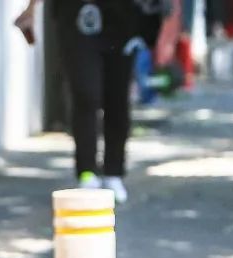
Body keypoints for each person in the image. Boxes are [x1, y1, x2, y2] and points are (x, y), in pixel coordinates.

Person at [16, 0, 162, 203]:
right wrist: (32, 8)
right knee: (85, 93)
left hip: (123, 17)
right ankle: (87, 171)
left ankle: (113, 172)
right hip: (75, 15)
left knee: (117, 98)